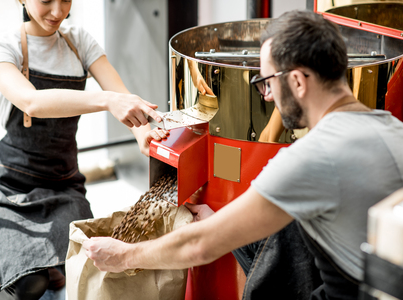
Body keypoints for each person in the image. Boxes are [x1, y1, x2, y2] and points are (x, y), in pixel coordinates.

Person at [82, 10, 403, 300]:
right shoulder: (393, 128)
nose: (267, 96)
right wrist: (223, 221)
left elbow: (199, 245)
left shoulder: (312, 157)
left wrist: (122, 256)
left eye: (266, 83)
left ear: (297, 81)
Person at [0, 0, 168, 299]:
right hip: (11, 186)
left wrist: (145, 134)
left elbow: (120, 94)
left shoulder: (79, 41)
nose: (57, 12)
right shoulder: (2, 48)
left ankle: (40, 273)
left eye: (65, 0)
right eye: (46, 1)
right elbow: (32, 103)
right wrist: (106, 101)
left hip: (65, 183)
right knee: (29, 284)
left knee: (86, 271)